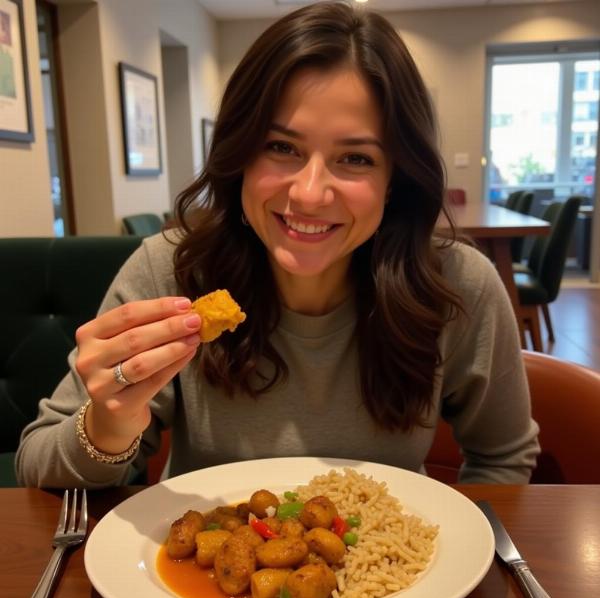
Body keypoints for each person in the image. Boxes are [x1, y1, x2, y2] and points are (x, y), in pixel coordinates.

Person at [16, 1, 539, 489]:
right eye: (281, 147)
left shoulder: (457, 284)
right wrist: (109, 424)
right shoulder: (170, 270)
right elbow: (37, 460)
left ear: (395, 178)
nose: (309, 194)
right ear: (239, 154)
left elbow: (502, 457)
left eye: (355, 158)